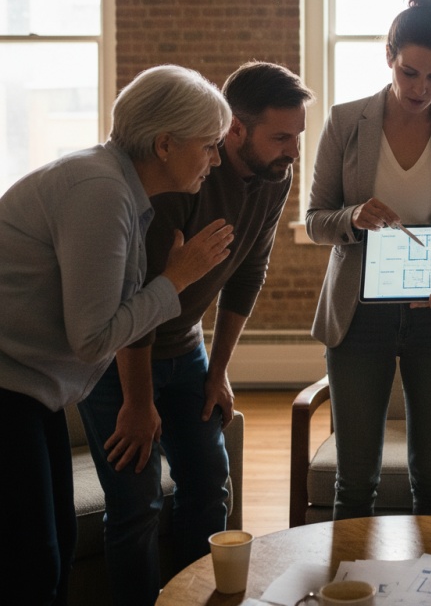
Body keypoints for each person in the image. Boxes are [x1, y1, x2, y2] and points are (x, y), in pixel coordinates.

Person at [77, 61, 314, 606]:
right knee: (136, 504)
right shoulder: (178, 181)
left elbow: (248, 271)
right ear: (235, 129)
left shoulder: (276, 177)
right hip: (120, 357)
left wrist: (219, 372)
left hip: (186, 349)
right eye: (280, 137)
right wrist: (138, 401)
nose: (292, 151)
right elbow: (132, 302)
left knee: (210, 485)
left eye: (297, 137)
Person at [0, 64, 234, 606]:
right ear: (165, 144)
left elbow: (113, 317)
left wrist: (167, 283)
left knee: (49, 553)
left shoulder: (120, 188)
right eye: (209, 146)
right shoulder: (101, 191)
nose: (215, 160)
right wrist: (177, 279)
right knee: (33, 564)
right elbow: (94, 337)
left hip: (34, 394)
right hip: (10, 391)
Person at [306, 0, 431, 519]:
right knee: (355, 481)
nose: (420, 88)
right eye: (410, 72)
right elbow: (315, 219)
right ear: (390, 56)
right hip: (359, 317)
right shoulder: (344, 122)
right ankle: (351, 597)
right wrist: (353, 217)